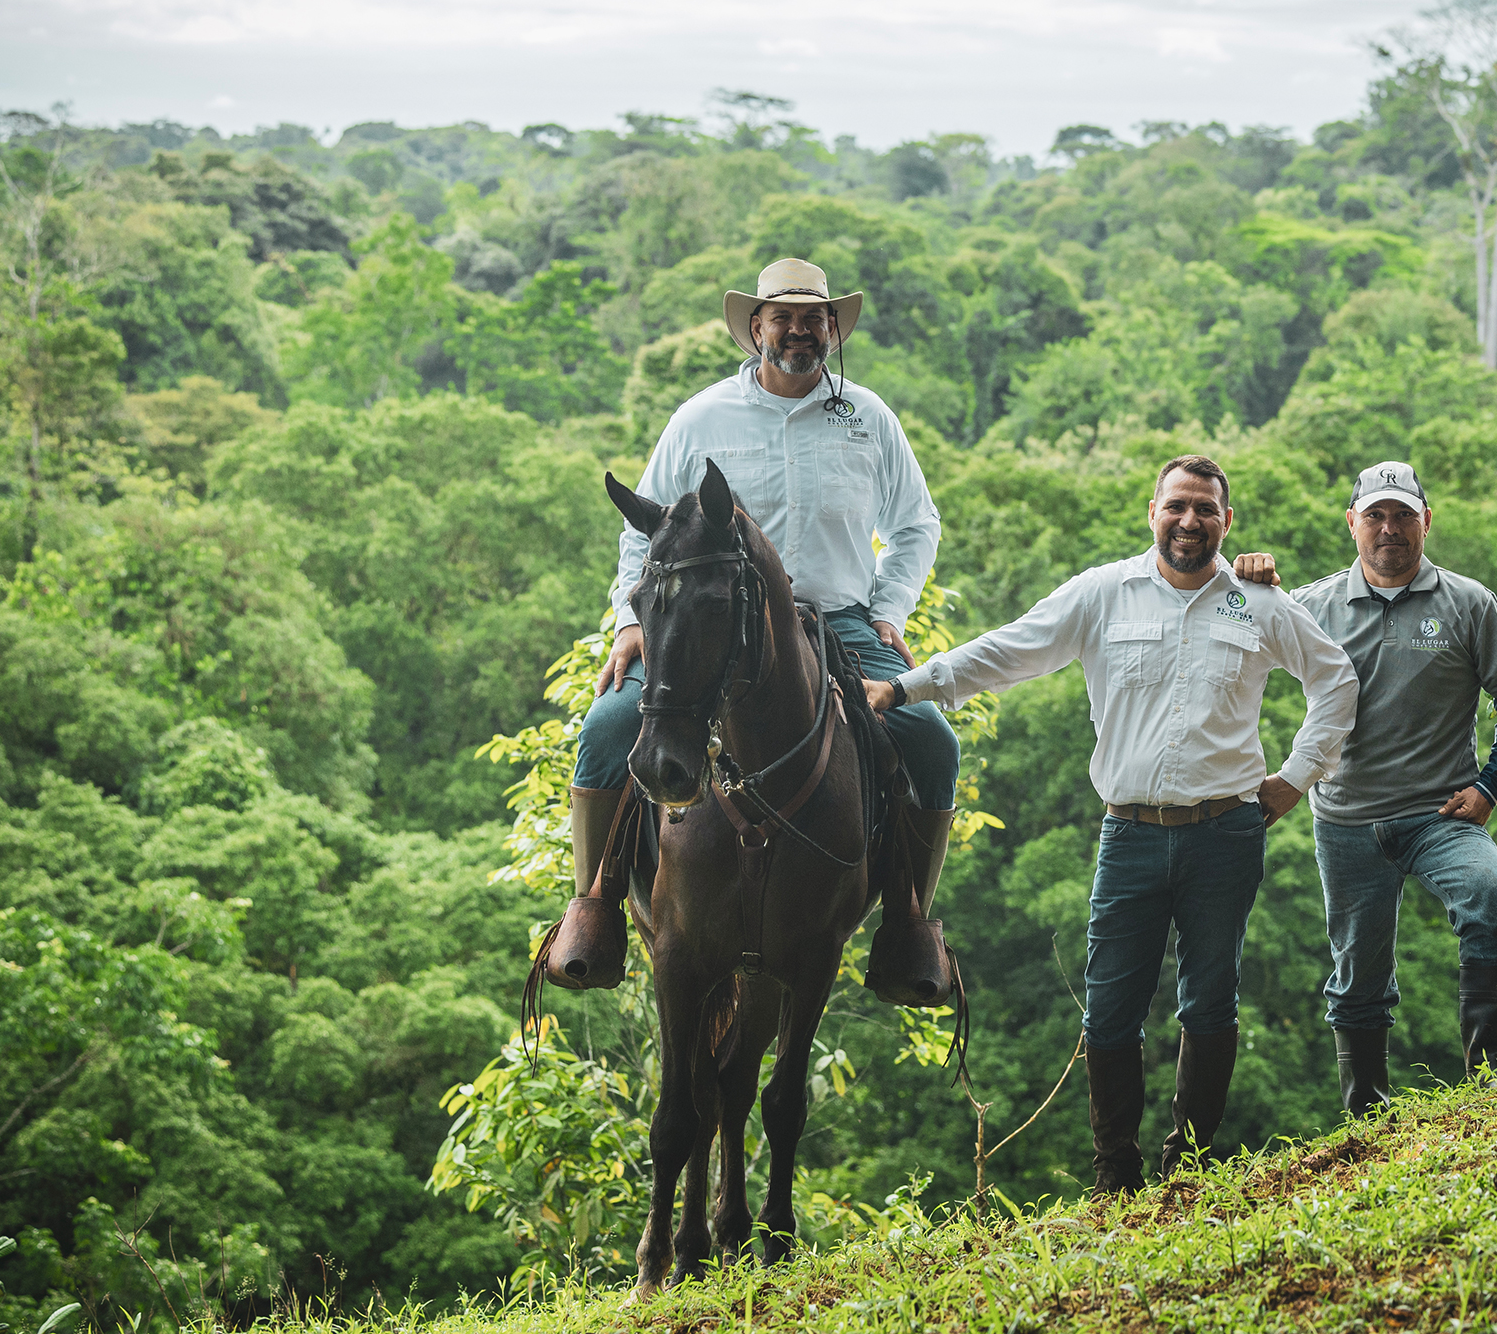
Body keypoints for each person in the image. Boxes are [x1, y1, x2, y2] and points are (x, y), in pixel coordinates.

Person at [864, 455, 1358, 1193]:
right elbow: (1012, 647)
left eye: (1206, 509)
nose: (1190, 520)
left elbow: (1337, 680)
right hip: (1127, 834)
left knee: (1210, 999)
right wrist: (906, 686)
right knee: (1109, 1009)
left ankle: (1187, 1165)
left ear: (1228, 522)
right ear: (1151, 512)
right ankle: (1115, 1176)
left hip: (1225, 833)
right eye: (1177, 506)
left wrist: (1292, 780)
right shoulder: (1103, 593)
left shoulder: (1258, 603)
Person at [547, 258, 964, 1006]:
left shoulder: (870, 417)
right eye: (785, 318)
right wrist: (631, 621)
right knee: (609, 724)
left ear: (833, 330)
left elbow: (915, 524)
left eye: (815, 319)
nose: (800, 331)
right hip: (709, 627)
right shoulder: (700, 417)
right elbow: (644, 534)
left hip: (836, 623)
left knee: (932, 738)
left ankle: (907, 924)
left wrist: (890, 609)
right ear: (757, 328)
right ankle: (594, 908)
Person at [1231, 461, 1497, 1116]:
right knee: (1358, 974)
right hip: (1345, 821)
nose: (1389, 528)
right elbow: (1227, 651)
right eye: (1375, 515)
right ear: (1353, 524)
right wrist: (1248, 584)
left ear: (1426, 521)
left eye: (1403, 514)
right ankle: (1366, 1113)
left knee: (1491, 899)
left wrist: (1491, 784)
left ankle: (1489, 1084)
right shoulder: (1311, 607)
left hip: (1439, 813)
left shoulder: (1467, 602)